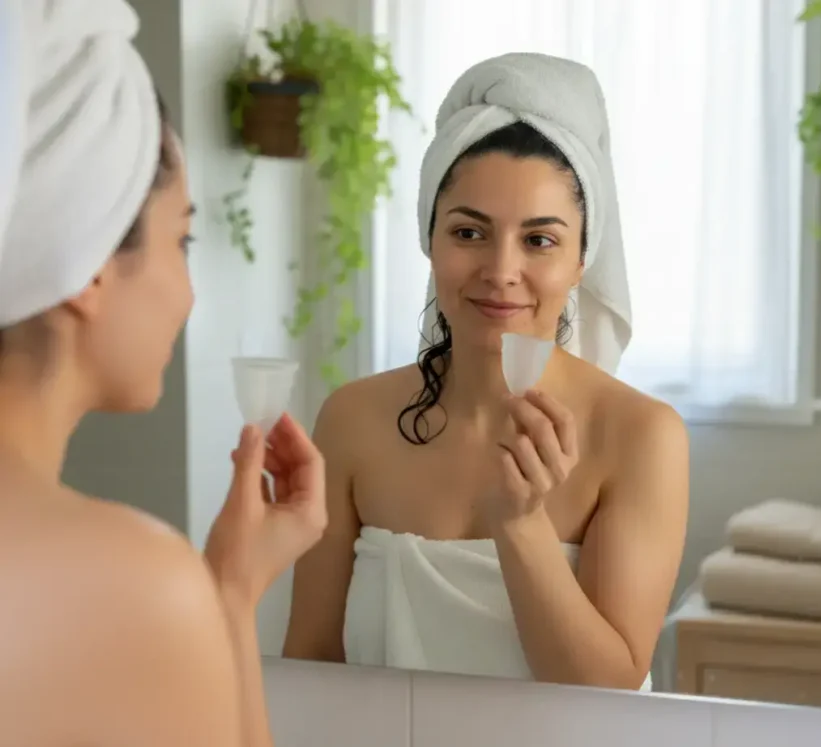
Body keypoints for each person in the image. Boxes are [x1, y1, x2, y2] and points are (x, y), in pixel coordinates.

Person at [284, 52, 690, 691]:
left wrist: (521, 522)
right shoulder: (352, 421)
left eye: (539, 240)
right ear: (430, 239)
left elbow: (609, 694)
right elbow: (309, 665)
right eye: (469, 233)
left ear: (582, 259)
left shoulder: (640, 436)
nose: (501, 271)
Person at [0, 2, 326, 745]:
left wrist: (229, 585)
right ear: (85, 268)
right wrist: (222, 599)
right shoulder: (131, 591)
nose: (189, 289)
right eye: (183, 238)